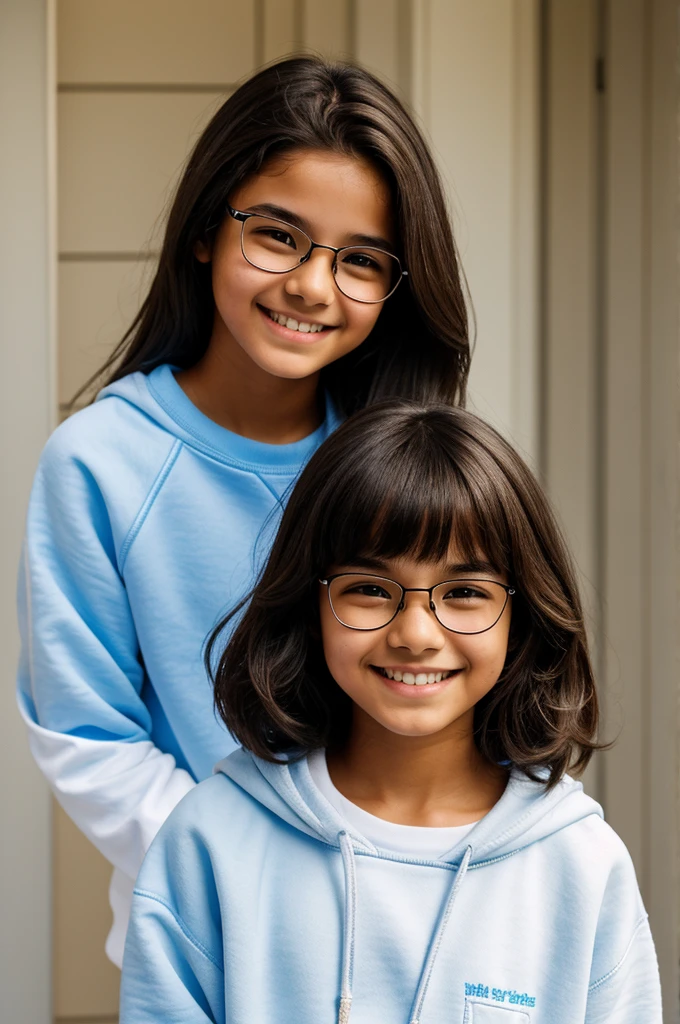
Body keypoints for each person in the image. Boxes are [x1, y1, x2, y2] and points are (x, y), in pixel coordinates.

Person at [16, 57, 470, 966]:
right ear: (204, 232)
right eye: (278, 236)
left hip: (422, 930)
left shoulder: (406, 464)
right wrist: (256, 872)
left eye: (362, 261)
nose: (311, 285)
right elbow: (89, 736)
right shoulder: (101, 465)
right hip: (210, 942)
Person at [120, 402, 662, 1024]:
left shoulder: (582, 865)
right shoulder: (207, 842)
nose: (416, 634)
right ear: (309, 604)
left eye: (464, 593)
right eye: (371, 589)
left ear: (523, 615)